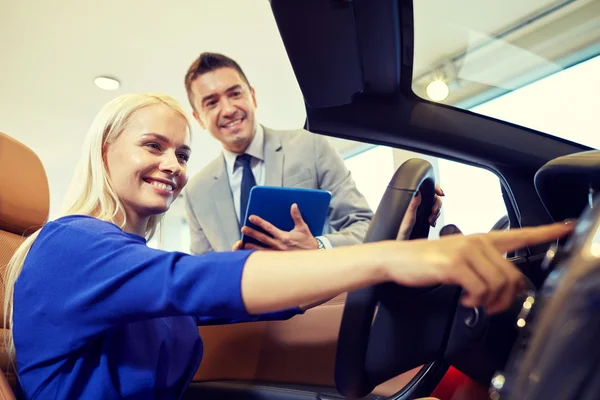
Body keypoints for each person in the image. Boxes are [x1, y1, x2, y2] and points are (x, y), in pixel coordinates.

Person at [3, 93, 573, 399]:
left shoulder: (128, 263)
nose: (173, 166)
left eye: (180, 154)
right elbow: (193, 282)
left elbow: (216, 291)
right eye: (154, 145)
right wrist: (387, 257)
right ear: (104, 150)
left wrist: (363, 254)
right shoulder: (67, 243)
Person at [182, 52, 444, 254]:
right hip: (242, 321)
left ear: (252, 96)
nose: (227, 109)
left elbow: (365, 226)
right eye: (212, 102)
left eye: (235, 93)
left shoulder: (310, 146)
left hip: (315, 308)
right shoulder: (196, 191)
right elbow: (202, 274)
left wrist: (317, 246)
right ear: (199, 118)